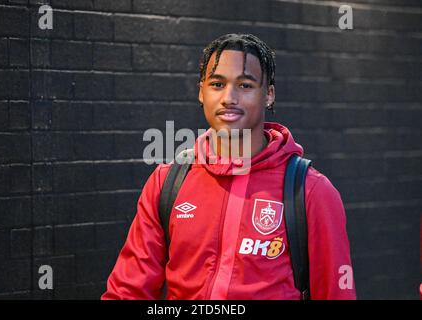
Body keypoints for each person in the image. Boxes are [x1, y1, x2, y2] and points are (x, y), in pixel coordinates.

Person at [102, 33, 356, 300]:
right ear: (201, 92)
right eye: (217, 83)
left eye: (245, 85)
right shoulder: (168, 183)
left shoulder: (310, 191)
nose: (229, 97)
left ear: (268, 95)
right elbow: (128, 291)